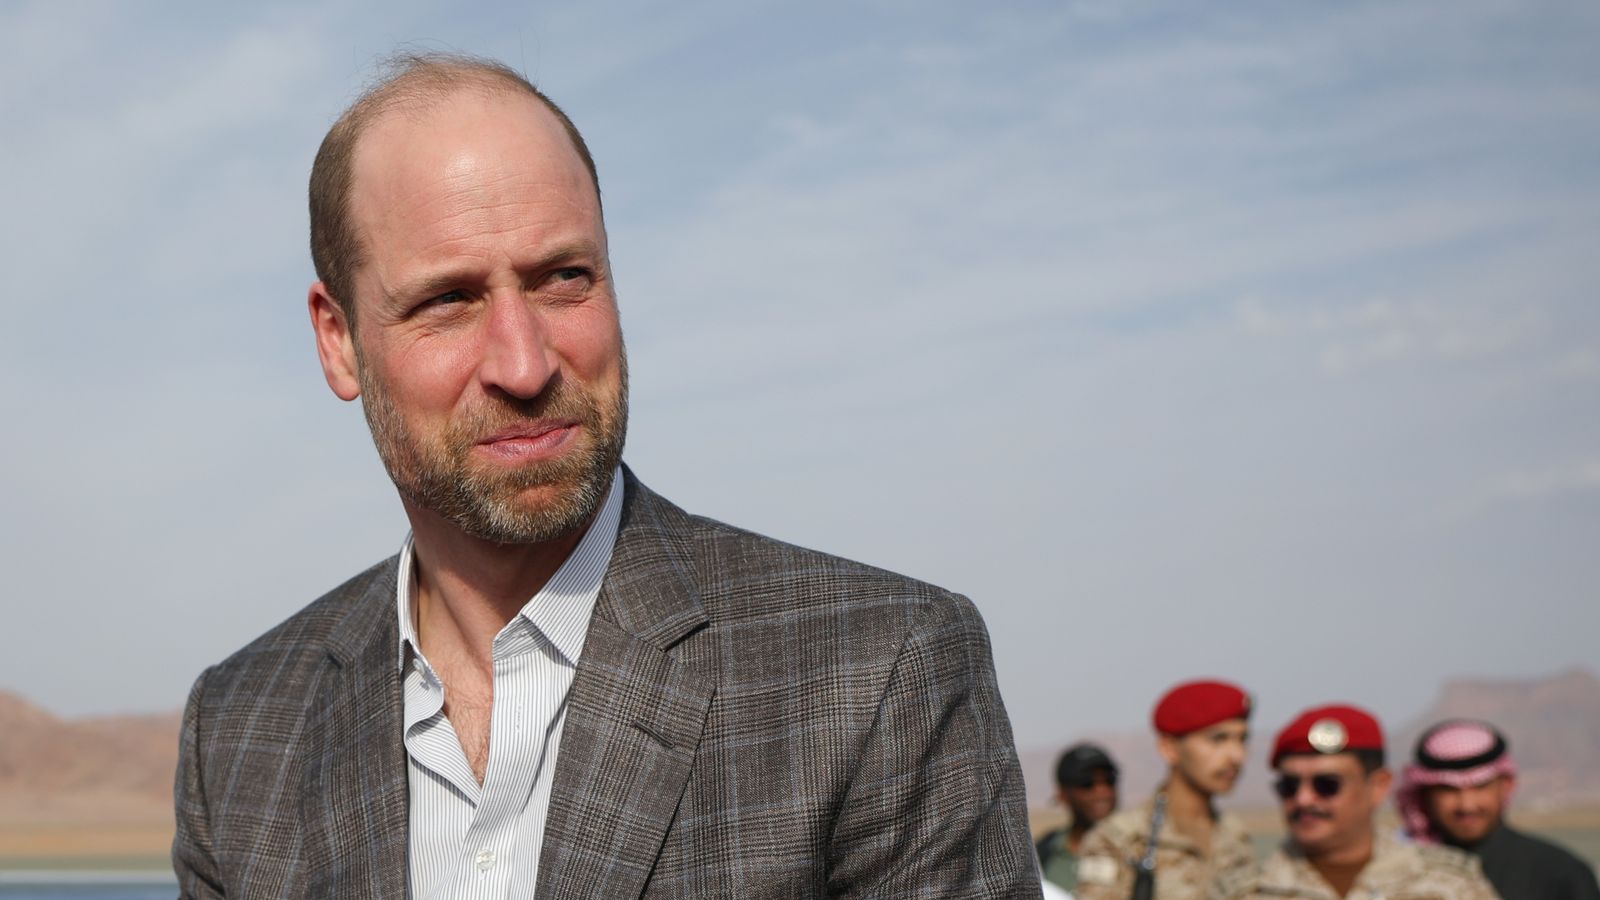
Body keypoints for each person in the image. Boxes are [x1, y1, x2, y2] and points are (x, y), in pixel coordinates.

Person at [170, 52, 1040, 899]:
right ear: (339, 339)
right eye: (448, 300)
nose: (524, 363)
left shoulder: (877, 671)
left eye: (563, 279)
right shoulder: (243, 732)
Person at [1214, 704, 1499, 900]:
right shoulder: (1244, 892)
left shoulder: (1450, 885)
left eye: (1327, 785)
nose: (1303, 799)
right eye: (1289, 786)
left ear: (1377, 787)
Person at [1076, 680, 1256, 900]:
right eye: (1218, 739)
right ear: (1169, 748)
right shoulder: (1121, 840)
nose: (1237, 756)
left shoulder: (1235, 835)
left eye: (1242, 739)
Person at [1397, 719, 1600, 900]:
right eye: (1449, 790)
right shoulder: (1397, 872)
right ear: (1424, 794)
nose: (1467, 805)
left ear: (1506, 785)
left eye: (1480, 786)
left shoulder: (1561, 873)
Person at [1036, 743, 1121, 893]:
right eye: (1087, 783)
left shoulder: (1138, 848)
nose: (1102, 792)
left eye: (1109, 780)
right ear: (1063, 794)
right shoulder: (1043, 853)